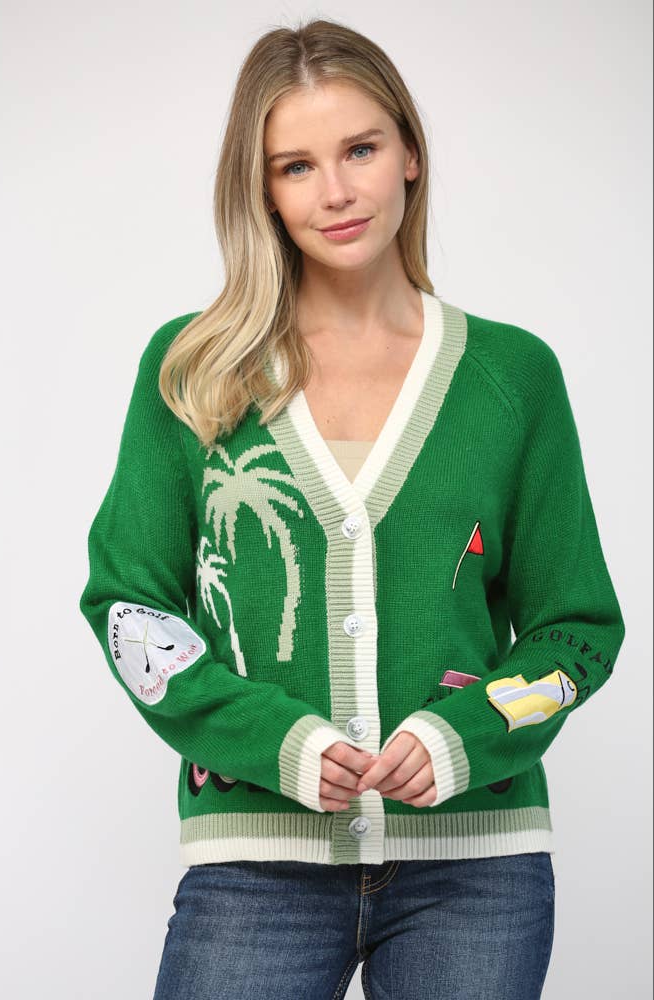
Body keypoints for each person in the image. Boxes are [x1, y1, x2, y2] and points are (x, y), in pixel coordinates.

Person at [79, 17, 626, 1000]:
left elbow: (575, 628)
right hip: (254, 867)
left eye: (360, 149)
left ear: (409, 153)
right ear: (261, 190)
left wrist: (462, 735)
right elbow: (130, 607)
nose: (334, 191)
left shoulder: (512, 376)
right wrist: (280, 744)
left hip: (477, 873)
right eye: (295, 166)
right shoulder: (193, 369)